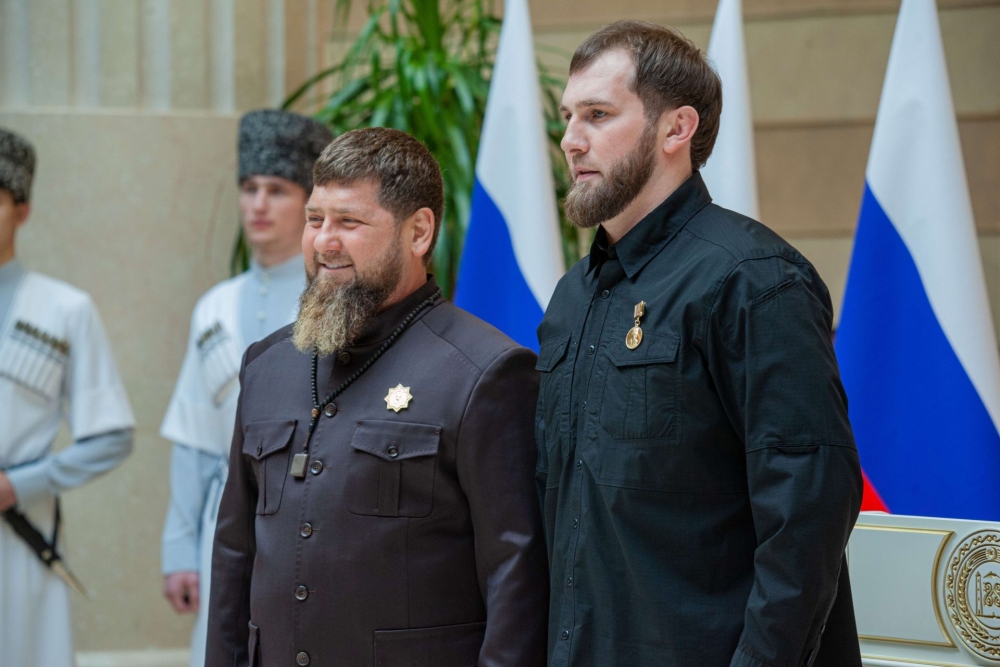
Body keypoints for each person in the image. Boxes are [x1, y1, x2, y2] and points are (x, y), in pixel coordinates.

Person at [536, 21, 863, 667]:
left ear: (676, 129)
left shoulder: (753, 278)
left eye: (598, 114)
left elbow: (807, 511)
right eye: (568, 116)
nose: (571, 139)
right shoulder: (573, 295)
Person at [206, 128, 548, 667]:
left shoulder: (485, 373)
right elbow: (234, 554)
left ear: (419, 232)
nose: (324, 242)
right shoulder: (266, 365)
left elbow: (517, 573)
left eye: (349, 222)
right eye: (315, 219)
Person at [159, 109, 332, 667]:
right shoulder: (213, 306)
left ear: (309, 204)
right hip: (225, 522)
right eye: (249, 188)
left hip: (312, 518)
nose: (258, 204)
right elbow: (193, 437)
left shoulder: (335, 305)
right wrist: (178, 547)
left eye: (276, 190)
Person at [0, 128, 135, 667]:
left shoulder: (63, 310)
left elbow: (111, 438)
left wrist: (18, 484)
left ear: (22, 210)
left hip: (20, 535)